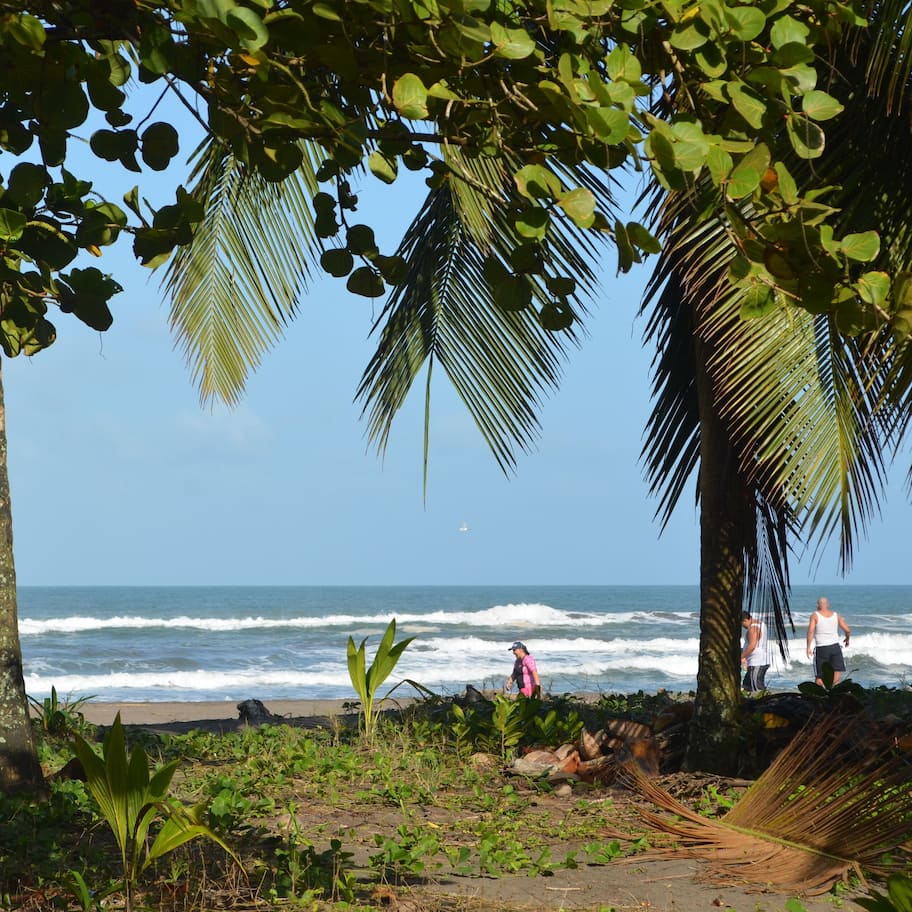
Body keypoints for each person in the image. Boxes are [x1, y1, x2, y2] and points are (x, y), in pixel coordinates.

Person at [806, 596, 851, 685]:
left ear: (818, 605)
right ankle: (833, 695)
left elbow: (811, 631)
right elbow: (847, 630)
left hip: (822, 648)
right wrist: (847, 639)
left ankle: (817, 697)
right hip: (835, 647)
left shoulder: (815, 615)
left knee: (819, 677)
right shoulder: (836, 615)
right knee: (836, 675)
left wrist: (808, 647)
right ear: (828, 605)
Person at [740, 610, 770, 693]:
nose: (743, 627)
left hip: (756, 663)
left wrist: (742, 657)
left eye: (742, 624)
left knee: (757, 689)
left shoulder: (753, 628)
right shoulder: (761, 624)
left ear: (745, 620)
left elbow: (752, 646)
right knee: (747, 685)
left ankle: (765, 704)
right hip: (759, 661)